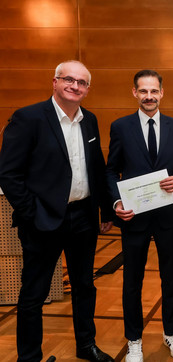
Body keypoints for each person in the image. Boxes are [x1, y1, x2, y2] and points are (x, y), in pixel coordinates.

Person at [0, 60, 114, 362]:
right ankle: (29, 357)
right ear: (55, 82)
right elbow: (9, 174)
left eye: (82, 82)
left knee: (84, 287)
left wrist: (106, 211)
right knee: (33, 294)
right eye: (69, 80)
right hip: (43, 221)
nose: (75, 86)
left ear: (88, 89)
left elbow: (96, 168)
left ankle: (85, 345)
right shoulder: (28, 118)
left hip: (83, 219)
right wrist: (31, 212)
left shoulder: (89, 120)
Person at [105, 70, 173, 361]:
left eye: (154, 91)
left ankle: (171, 333)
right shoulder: (120, 126)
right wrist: (116, 202)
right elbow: (109, 169)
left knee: (170, 278)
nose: (149, 96)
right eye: (143, 91)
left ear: (162, 93)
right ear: (135, 93)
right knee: (132, 279)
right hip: (133, 217)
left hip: (168, 216)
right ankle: (134, 340)